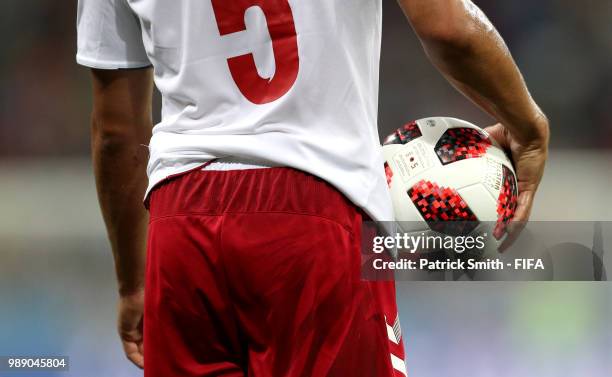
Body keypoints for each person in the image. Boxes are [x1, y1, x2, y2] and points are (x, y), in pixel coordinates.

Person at [76, 0, 549, 376]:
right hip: (313, 209)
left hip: (179, 224)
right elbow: (444, 23)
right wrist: (528, 123)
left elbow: (116, 130)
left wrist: (133, 282)